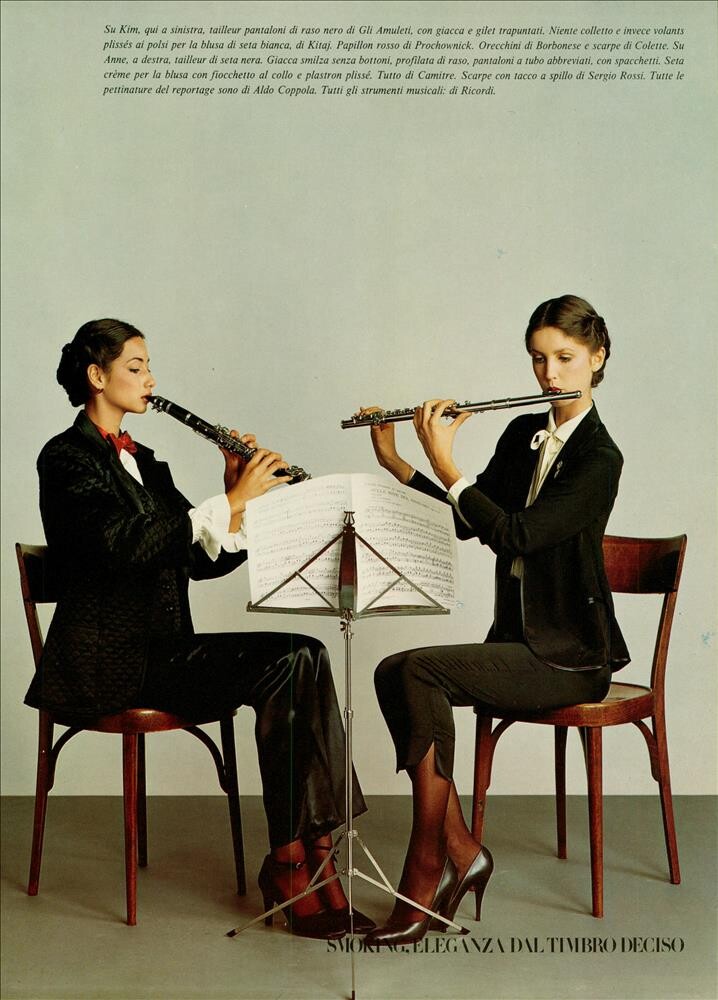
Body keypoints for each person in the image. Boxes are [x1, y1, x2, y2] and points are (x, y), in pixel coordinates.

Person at [25, 318, 375, 939]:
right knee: (291, 662)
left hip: (165, 654)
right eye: (136, 367)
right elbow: (119, 545)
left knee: (305, 651)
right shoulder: (65, 458)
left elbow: (198, 559)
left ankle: (313, 852)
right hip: (107, 665)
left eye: (149, 367)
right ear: (96, 376)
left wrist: (238, 498)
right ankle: (294, 864)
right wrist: (227, 504)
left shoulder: (148, 465)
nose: (150, 379)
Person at [356, 294, 629, 946]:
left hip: (569, 656)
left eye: (565, 358)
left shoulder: (600, 458)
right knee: (393, 670)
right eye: (538, 359)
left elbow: (517, 535)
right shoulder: (522, 434)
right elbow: (466, 518)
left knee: (418, 672)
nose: (549, 374)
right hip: (518, 644)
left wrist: (446, 462)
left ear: (597, 359)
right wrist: (399, 464)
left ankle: (428, 867)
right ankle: (461, 847)